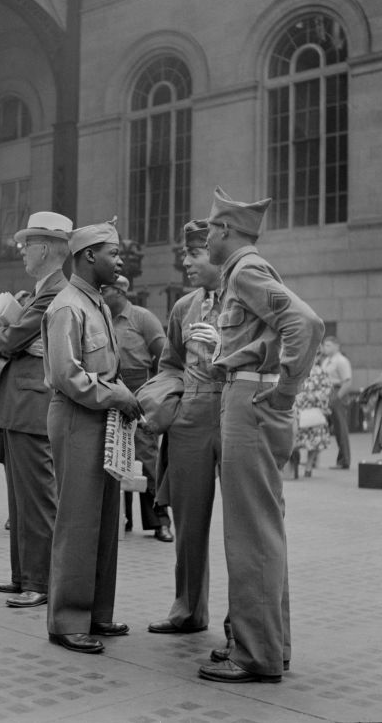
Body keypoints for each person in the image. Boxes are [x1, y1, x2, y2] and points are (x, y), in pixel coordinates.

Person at [198, 187, 323, 683]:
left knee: (250, 535)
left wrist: (288, 390)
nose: (205, 236)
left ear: (226, 230)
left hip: (249, 403)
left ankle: (254, 655)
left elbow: (305, 323)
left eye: (209, 228)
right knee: (262, 530)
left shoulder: (246, 270)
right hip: (251, 401)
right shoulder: (244, 272)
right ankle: (272, 645)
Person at [42, 219, 140, 654]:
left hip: (101, 416)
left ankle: (97, 611)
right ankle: (67, 620)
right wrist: (115, 394)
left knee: (104, 520)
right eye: (113, 253)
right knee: (78, 520)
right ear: (88, 256)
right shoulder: (68, 306)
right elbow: (67, 375)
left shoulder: (95, 302)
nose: (119, 261)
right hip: (79, 415)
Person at [141, 219, 225, 635]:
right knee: (189, 521)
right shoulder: (183, 307)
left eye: (195, 253)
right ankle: (188, 610)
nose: (186, 262)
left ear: (218, 252)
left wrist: (222, 348)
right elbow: (171, 363)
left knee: (244, 525)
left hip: (236, 413)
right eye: (185, 254)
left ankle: (243, 624)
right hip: (191, 416)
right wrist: (168, 399)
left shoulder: (248, 299)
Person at [0, 211, 72, 609]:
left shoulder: (54, 292)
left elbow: (8, 338)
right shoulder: (41, 291)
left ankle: (40, 582)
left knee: (37, 500)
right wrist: (15, 336)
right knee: (20, 500)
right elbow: (16, 338)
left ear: (44, 249)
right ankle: (24, 576)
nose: (22, 251)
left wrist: (9, 334)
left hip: (32, 405)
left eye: (27, 245)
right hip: (19, 406)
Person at [102, 274, 171, 542]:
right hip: (111, 391)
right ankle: (121, 519)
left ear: (119, 291)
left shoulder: (142, 318)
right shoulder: (101, 317)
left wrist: (155, 392)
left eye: (104, 289)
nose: (101, 293)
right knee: (114, 457)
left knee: (147, 459)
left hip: (141, 392)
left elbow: (166, 356)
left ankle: (160, 522)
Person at [292, 358, 333, 477]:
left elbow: (327, 389)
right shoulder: (297, 368)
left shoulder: (321, 371)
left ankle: (309, 466)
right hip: (298, 409)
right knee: (295, 440)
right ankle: (294, 465)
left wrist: (314, 396)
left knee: (314, 440)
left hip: (314, 408)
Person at [320, 335, 353, 469]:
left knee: (340, 429)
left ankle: (344, 460)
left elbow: (348, 382)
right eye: (325, 345)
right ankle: (314, 458)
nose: (325, 348)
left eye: (328, 345)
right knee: (319, 425)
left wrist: (336, 397)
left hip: (337, 393)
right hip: (326, 393)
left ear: (336, 346)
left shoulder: (341, 361)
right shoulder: (326, 360)